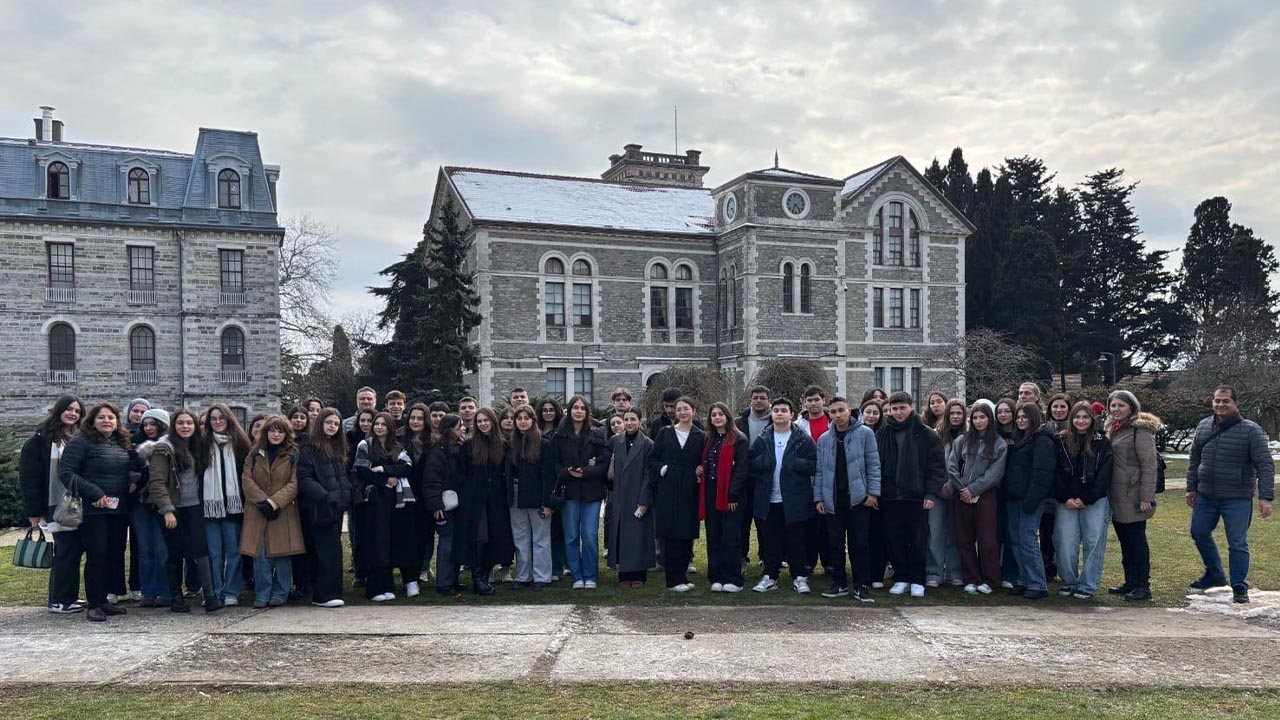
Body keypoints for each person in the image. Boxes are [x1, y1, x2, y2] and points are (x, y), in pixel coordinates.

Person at [1186, 385, 1276, 604]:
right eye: (1217, 400)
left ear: (1235, 403)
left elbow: (1265, 464)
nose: (1220, 404)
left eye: (1225, 401)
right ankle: (1215, 573)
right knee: (1198, 532)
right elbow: (1194, 459)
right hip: (1206, 494)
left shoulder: (1250, 430)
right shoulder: (1204, 425)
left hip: (1237, 496)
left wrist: (1265, 497)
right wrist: (1191, 487)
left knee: (1237, 542)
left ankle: (1239, 586)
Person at [60, 402, 141, 622]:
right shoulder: (80, 442)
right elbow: (66, 473)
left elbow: (131, 465)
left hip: (118, 508)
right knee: (97, 554)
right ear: (92, 421)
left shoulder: (122, 442)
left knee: (114, 554)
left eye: (111, 417)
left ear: (117, 421)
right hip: (92, 509)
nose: (107, 421)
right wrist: (94, 493)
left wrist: (133, 478)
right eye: (101, 417)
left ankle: (105, 598)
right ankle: (94, 603)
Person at [148, 409, 221, 613]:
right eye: (181, 423)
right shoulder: (164, 448)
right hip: (172, 508)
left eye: (189, 422)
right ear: (174, 426)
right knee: (175, 551)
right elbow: (157, 482)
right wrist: (167, 510)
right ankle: (176, 598)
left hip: (194, 507)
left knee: (201, 550)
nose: (185, 426)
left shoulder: (198, 446)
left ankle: (210, 595)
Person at [19, 394, 85, 614]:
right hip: (55, 503)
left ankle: (69, 595)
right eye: (68, 409)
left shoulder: (80, 437)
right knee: (66, 550)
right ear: (59, 411)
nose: (72, 414)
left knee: (74, 550)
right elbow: (30, 479)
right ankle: (58, 599)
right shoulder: (40, 441)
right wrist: (34, 512)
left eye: (76, 411)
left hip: (78, 503)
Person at [875, 392, 946, 598]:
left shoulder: (926, 433)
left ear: (911, 407)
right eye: (894, 409)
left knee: (918, 539)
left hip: (916, 496)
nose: (898, 412)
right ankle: (902, 576)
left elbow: (936, 466)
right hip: (890, 496)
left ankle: (917, 578)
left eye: (902, 408)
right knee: (894, 538)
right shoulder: (883, 433)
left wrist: (931, 493)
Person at [813, 395, 880, 602]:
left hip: (858, 498)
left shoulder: (865, 433)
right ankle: (839, 583)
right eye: (833, 412)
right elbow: (819, 471)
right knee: (835, 544)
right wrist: (818, 498)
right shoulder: (825, 439)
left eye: (841, 410)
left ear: (849, 410)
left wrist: (872, 493)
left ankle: (861, 585)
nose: (837, 415)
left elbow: (873, 464)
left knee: (860, 544)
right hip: (833, 498)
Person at [749, 397, 818, 594]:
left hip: (795, 499)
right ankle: (770, 576)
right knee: (771, 540)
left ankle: (799, 577)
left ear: (791, 415)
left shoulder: (802, 439)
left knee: (796, 540)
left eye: (783, 410)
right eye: (776, 410)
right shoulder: (763, 438)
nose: (779, 413)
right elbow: (752, 462)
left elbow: (814, 464)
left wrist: (795, 464)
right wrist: (764, 463)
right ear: (772, 414)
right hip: (770, 498)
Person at [239, 416, 305, 608]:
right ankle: (262, 593)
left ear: (286, 433)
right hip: (257, 510)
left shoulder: (294, 453)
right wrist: (263, 501)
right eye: (272, 431)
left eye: (280, 431)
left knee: (283, 554)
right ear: (265, 432)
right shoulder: (254, 454)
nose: (276, 434)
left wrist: (275, 502)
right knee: (260, 554)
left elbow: (294, 483)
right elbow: (246, 480)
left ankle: (280, 592)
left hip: (282, 510)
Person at [644, 396, 706, 592]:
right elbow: (652, 459)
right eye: (679, 409)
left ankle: (683, 575)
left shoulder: (701, 436)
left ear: (693, 411)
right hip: (668, 488)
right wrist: (664, 470)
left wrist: (699, 470)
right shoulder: (665, 433)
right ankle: (673, 580)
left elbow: (704, 460)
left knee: (686, 532)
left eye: (686, 408)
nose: (682, 412)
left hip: (690, 488)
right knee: (670, 534)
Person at [354, 412, 418, 602]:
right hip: (374, 500)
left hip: (396, 501)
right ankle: (375, 588)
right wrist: (384, 481)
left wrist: (384, 469)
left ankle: (389, 585)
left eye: (383, 424)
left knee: (392, 542)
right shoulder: (364, 445)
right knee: (376, 543)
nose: (379, 427)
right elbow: (362, 470)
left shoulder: (398, 447)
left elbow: (406, 467)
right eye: (377, 423)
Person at [1053, 401, 1113, 600]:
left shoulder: (1102, 442)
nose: (1081, 421)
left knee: (1093, 541)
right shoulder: (1061, 441)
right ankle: (1069, 580)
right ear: (1072, 419)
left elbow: (1105, 474)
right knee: (1065, 542)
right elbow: (1055, 473)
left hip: (1094, 500)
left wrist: (1086, 498)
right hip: (1066, 500)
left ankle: (1088, 584)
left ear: (1092, 420)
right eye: (1077, 417)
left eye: (1085, 417)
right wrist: (1066, 497)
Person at [948, 400, 1007, 595]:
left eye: (983, 417)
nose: (979, 421)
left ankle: (991, 579)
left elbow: (994, 473)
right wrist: (962, 488)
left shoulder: (999, 443)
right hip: (961, 494)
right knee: (964, 538)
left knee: (987, 539)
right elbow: (952, 466)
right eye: (975, 417)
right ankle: (971, 577)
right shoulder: (962, 441)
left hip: (985, 495)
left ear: (990, 419)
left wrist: (974, 489)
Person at [1105, 389, 1160, 602]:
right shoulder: (1113, 428)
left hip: (1134, 493)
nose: (1116, 409)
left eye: (1121, 405)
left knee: (1137, 541)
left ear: (1131, 407)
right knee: (1125, 542)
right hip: (1116, 493)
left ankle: (1142, 585)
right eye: (1113, 405)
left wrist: (1147, 496)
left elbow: (1149, 464)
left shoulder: (1140, 430)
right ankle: (1129, 581)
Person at [195, 404, 252, 607]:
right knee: (213, 553)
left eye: (221, 418)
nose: (218, 422)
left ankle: (232, 591)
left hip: (234, 508)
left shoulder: (241, 445)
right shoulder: (200, 444)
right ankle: (214, 591)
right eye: (213, 419)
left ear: (229, 420)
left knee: (234, 552)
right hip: (209, 508)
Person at [551, 395, 610, 589]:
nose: (578, 411)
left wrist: (586, 470)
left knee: (589, 535)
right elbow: (554, 464)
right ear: (569, 411)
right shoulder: (559, 436)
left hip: (592, 492)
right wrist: (567, 472)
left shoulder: (597, 433)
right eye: (575, 408)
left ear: (587, 412)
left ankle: (590, 574)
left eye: (582, 408)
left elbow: (603, 463)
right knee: (571, 536)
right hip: (569, 492)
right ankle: (576, 576)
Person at [297, 408, 353, 608]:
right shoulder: (309, 448)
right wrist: (324, 496)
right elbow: (304, 478)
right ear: (321, 423)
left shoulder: (337, 447)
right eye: (329, 422)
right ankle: (324, 594)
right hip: (320, 507)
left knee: (333, 549)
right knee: (326, 550)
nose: (333, 426)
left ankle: (332, 591)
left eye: (336, 424)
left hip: (337, 507)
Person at [1003, 403, 1056, 600]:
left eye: (1025, 417)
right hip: (1014, 497)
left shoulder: (1042, 440)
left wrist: (1032, 499)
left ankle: (1037, 583)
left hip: (1030, 499)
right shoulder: (1021, 439)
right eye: (1018, 417)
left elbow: (1042, 474)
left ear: (1034, 418)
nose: (1020, 420)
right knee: (1016, 540)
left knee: (1027, 539)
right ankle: (1023, 579)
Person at [701, 402, 750, 593]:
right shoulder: (709, 439)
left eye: (720, 414)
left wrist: (732, 495)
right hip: (711, 491)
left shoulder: (739, 439)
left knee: (730, 536)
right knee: (714, 535)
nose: (717, 418)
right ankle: (716, 576)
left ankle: (733, 578)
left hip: (731, 494)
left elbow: (742, 470)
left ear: (728, 417)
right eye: (713, 415)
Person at [507, 405, 556, 589]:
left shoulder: (543, 443)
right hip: (516, 492)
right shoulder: (512, 443)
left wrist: (547, 502)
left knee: (540, 537)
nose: (522, 422)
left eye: (526, 418)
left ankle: (542, 577)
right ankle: (522, 575)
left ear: (533, 420)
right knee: (520, 537)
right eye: (519, 418)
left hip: (537, 494)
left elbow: (548, 475)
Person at [423, 414, 471, 596]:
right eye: (459, 427)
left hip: (457, 503)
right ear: (450, 430)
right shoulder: (438, 452)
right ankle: (444, 583)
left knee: (456, 543)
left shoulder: (458, 449)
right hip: (444, 506)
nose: (463, 429)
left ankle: (453, 579)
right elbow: (431, 481)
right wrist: (436, 506)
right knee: (447, 544)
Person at [607, 409, 656, 586]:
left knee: (638, 537)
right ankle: (624, 574)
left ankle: (639, 574)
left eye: (632, 420)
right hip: (619, 496)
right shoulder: (615, 441)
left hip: (638, 495)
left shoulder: (648, 444)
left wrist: (644, 501)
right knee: (622, 535)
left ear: (639, 422)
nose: (629, 423)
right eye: (626, 420)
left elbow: (648, 474)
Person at [128, 408, 170, 607]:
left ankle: (164, 590)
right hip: (140, 503)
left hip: (160, 503)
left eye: (153, 424)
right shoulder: (134, 446)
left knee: (161, 548)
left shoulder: (169, 445)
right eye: (146, 424)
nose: (149, 428)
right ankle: (148, 591)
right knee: (145, 549)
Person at [467, 407, 510, 594]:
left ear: (492, 421)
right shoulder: (469, 445)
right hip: (476, 499)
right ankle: (477, 577)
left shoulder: (503, 445)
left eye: (486, 420)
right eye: (479, 421)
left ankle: (485, 574)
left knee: (495, 536)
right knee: (480, 537)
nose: (483, 424)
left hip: (497, 499)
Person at [928, 398, 967, 588]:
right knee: (935, 533)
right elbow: (933, 463)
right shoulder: (937, 435)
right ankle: (934, 572)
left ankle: (955, 572)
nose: (955, 417)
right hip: (937, 491)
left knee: (956, 533)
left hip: (960, 491)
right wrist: (940, 487)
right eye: (952, 413)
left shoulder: (969, 436)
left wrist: (953, 486)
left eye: (959, 413)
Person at [735, 384, 773, 569]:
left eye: (762, 398)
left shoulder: (776, 421)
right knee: (742, 520)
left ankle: (765, 557)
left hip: (766, 477)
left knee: (765, 521)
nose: (759, 401)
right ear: (750, 399)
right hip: (743, 478)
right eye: (755, 397)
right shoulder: (739, 422)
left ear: (769, 401)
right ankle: (741, 557)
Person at [796, 385, 832, 577]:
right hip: (806, 480)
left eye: (816, 400)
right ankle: (809, 562)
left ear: (823, 401)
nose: (813, 404)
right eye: (809, 400)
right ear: (805, 403)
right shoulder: (798, 425)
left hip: (828, 478)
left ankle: (829, 563)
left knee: (827, 524)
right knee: (808, 524)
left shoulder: (831, 422)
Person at [345, 407, 377, 588]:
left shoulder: (380, 439)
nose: (366, 424)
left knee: (374, 533)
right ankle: (359, 572)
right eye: (362, 420)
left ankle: (373, 569)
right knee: (358, 534)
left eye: (369, 420)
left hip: (375, 492)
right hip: (357, 491)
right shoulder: (351, 437)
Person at [403, 403, 434, 588]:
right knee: (408, 536)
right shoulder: (400, 441)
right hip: (405, 496)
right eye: (412, 418)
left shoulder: (433, 442)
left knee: (425, 535)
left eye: (420, 418)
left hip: (426, 496)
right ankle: (410, 573)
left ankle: (422, 569)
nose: (415, 421)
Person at [859, 398, 888, 587]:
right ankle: (864, 573)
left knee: (879, 534)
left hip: (881, 491)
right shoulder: (857, 434)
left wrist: (875, 492)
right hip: (860, 491)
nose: (871, 416)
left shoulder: (886, 434)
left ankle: (878, 574)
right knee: (863, 536)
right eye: (868, 412)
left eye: (875, 412)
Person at [993, 397, 1018, 588]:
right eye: (999, 411)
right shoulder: (993, 434)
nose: (1003, 415)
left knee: (1013, 533)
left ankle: (1011, 573)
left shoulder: (1022, 434)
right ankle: (996, 570)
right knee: (995, 532)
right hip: (995, 489)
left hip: (1014, 490)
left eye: (1006, 411)